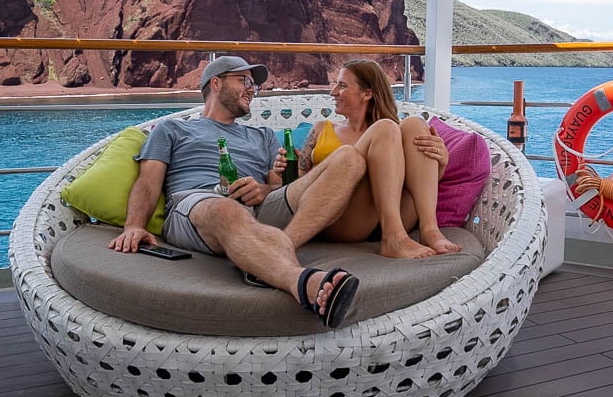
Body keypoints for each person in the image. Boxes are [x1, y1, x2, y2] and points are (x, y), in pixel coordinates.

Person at [108, 55, 366, 329]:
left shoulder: (263, 135)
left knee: (349, 158)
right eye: (244, 80)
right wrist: (133, 226)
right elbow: (148, 182)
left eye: (254, 84)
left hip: (259, 208)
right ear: (216, 83)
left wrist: (265, 189)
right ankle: (303, 282)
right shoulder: (173, 129)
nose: (252, 89)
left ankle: (264, 262)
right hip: (199, 205)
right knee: (225, 208)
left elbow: (279, 188)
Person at [298, 59, 462, 259]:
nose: (333, 92)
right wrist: (279, 173)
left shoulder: (394, 134)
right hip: (345, 218)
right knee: (385, 128)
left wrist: (441, 162)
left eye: (342, 85)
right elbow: (300, 182)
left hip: (399, 214)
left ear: (367, 93)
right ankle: (393, 238)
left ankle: (430, 230)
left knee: (414, 125)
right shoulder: (322, 128)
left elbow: (419, 184)